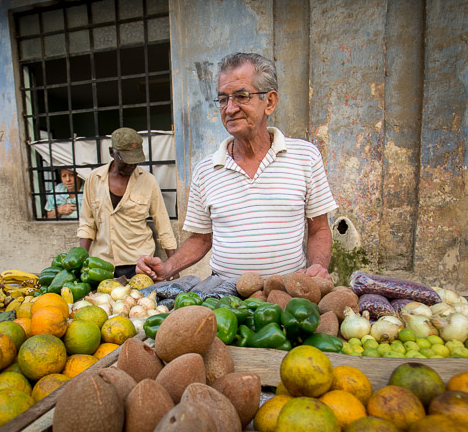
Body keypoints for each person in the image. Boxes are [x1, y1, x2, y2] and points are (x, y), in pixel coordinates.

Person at [136, 52, 337, 281]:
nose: (230, 109)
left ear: (269, 102)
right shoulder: (206, 170)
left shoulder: (305, 156)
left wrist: (318, 266)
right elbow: (201, 238)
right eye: (223, 99)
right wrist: (168, 266)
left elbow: (319, 228)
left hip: (286, 295)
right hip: (225, 298)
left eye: (241, 96)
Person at [77, 127, 177, 279]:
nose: (132, 165)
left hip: (139, 264)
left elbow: (163, 225)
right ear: (112, 152)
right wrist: (81, 262)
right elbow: (87, 224)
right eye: (126, 160)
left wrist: (173, 268)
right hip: (102, 264)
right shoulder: (94, 179)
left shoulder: (148, 181)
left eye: (136, 160)